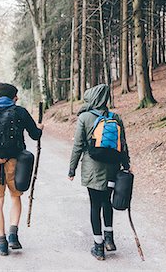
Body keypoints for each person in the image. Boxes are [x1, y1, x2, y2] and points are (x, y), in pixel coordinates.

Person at [0, 82, 44, 256]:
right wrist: (40, 129)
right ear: (14, 97)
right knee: (15, 197)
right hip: (16, 163)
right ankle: (13, 235)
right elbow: (35, 135)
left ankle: (1, 243)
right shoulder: (20, 111)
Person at [68, 84, 130, 261]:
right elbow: (123, 145)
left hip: (92, 169)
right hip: (113, 169)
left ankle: (98, 247)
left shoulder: (84, 117)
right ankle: (109, 240)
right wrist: (126, 165)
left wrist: (71, 168)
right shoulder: (115, 117)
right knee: (107, 202)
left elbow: (78, 145)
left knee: (95, 205)